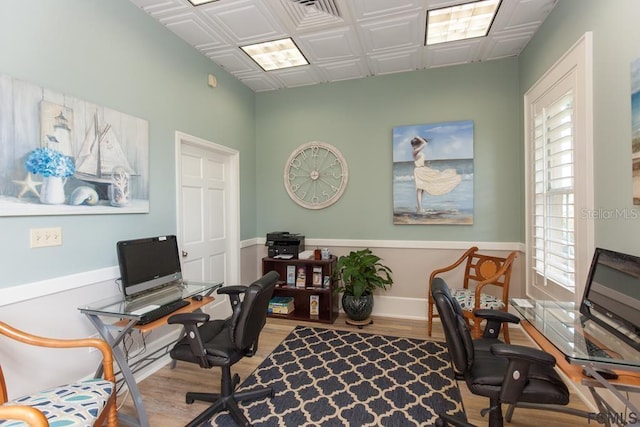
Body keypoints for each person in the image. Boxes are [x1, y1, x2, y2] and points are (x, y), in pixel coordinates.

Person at [410, 136, 462, 213]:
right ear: (415, 145)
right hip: (419, 171)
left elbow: (420, 160)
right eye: (416, 144)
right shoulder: (415, 151)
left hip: (422, 169)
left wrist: (425, 164)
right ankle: (419, 208)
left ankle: (419, 208)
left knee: (422, 188)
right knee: (419, 189)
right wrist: (418, 137)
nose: (416, 146)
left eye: (416, 144)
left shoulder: (417, 151)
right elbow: (424, 143)